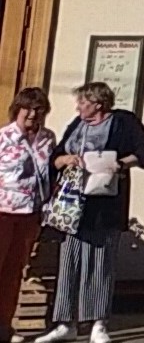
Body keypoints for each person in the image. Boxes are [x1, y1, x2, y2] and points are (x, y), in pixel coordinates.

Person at [38, 79, 144, 343]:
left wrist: (119, 164)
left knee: (100, 264)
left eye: (83, 102)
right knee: (69, 263)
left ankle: (98, 324)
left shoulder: (123, 122)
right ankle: (65, 323)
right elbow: (56, 158)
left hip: (105, 207)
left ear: (98, 104)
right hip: (72, 208)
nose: (78, 107)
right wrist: (66, 159)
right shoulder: (77, 125)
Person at [0, 88, 57, 343]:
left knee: (14, 271)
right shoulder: (3, 137)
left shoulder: (47, 138)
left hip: (31, 213)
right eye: (28, 109)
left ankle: (4, 326)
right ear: (18, 109)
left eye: (39, 110)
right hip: (3, 211)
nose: (33, 114)